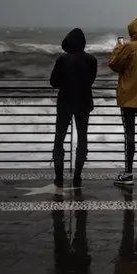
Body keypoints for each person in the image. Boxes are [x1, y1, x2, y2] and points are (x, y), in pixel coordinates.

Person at [108, 15, 137, 185]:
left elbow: (114, 64)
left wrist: (118, 47)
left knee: (129, 134)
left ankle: (128, 173)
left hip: (128, 97)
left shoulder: (128, 47)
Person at [49, 28, 97, 188]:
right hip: (83, 102)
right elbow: (91, 80)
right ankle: (77, 175)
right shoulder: (92, 60)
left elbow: (53, 82)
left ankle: (59, 176)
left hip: (65, 102)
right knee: (82, 138)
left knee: (59, 138)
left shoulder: (62, 60)